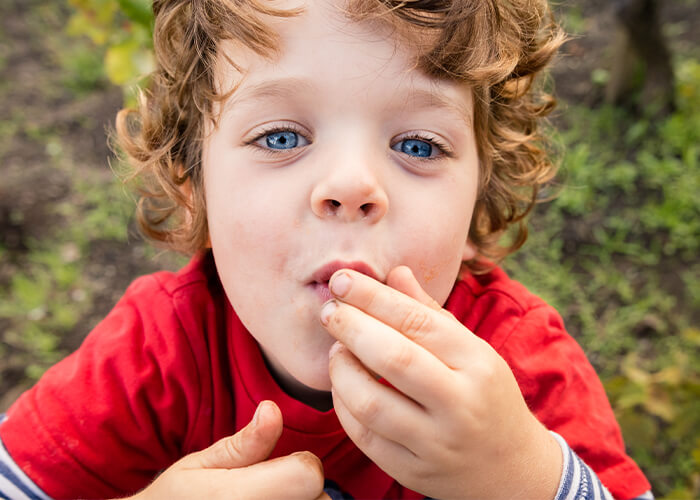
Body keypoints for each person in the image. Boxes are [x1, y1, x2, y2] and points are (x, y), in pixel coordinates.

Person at [0, 0, 653, 499]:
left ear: (478, 207)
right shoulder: (158, 354)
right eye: (282, 137)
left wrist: (520, 474)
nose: (350, 184)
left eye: (419, 145)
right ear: (193, 187)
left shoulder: (517, 368)